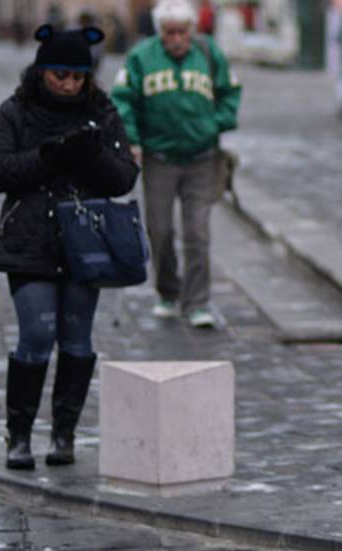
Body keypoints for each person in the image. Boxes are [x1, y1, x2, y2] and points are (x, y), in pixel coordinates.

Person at [0, 25, 139, 470]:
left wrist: (92, 155)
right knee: (36, 334)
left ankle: (64, 434)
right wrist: (47, 157)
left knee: (76, 337)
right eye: (60, 75)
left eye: (77, 77)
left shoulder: (102, 113)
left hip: (86, 244)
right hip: (30, 240)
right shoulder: (16, 112)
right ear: (42, 72)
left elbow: (124, 176)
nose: (69, 85)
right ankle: (19, 435)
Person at [110, 0, 241, 329]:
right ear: (160, 32)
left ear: (191, 30)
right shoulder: (142, 57)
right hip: (159, 158)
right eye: (170, 33)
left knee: (197, 232)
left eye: (183, 32)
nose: (177, 39)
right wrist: (132, 139)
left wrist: (216, 124)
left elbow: (230, 91)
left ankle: (197, 302)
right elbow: (122, 99)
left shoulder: (208, 53)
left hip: (202, 157)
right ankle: (168, 291)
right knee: (161, 230)